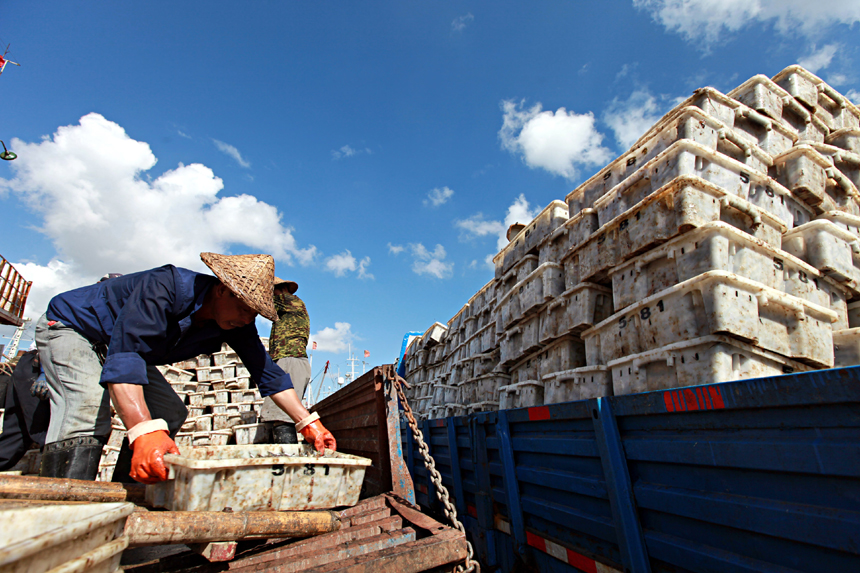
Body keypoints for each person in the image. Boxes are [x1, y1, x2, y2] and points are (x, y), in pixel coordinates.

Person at [35, 252, 336, 483]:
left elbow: (268, 374)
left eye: (255, 314)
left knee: (170, 414)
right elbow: (127, 353)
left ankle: (122, 497)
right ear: (222, 290)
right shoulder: (165, 287)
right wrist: (141, 430)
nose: (248, 319)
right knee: (86, 410)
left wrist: (307, 422)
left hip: (123, 348)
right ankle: (63, 513)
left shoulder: (236, 324)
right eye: (245, 308)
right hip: (75, 328)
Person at [260, 277, 310, 443]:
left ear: (278, 289)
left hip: (290, 360)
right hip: (289, 360)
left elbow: (256, 300)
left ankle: (288, 464)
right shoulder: (287, 306)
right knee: (276, 414)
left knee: (282, 416)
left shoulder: (286, 300)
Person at [0, 347, 50, 471]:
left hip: (31, 365)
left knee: (16, 434)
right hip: (43, 365)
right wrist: (44, 372)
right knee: (46, 432)